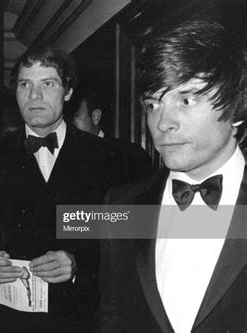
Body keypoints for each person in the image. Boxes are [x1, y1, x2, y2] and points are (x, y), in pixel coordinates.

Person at [98, 19, 246, 332]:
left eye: (186, 99)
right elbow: (112, 317)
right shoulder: (120, 206)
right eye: (153, 104)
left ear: (236, 108)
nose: (162, 122)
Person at [0, 46, 124, 332]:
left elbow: (123, 233)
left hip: (78, 318)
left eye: (47, 84)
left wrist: (77, 263)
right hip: (6, 319)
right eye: (24, 84)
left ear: (67, 92)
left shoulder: (105, 156)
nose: (34, 96)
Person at [69, 87, 152, 182]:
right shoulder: (67, 157)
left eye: (75, 117)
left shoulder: (131, 156)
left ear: (95, 117)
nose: (69, 125)